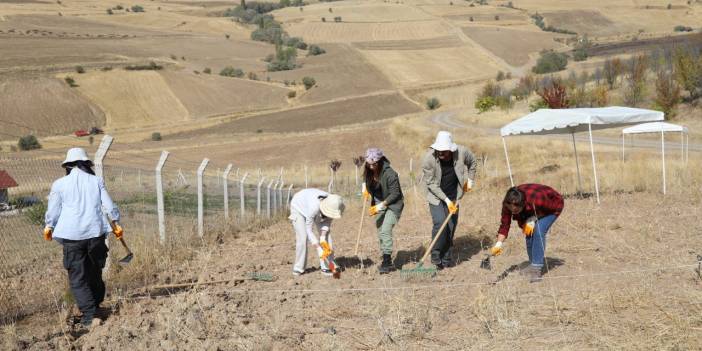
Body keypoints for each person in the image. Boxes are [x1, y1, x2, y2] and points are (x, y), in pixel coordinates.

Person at [43, 147, 122, 327]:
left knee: (78, 278)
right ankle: (95, 306)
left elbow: (53, 211)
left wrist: (49, 226)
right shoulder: (96, 181)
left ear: (68, 166)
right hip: (96, 235)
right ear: (86, 164)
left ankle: (89, 316)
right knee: (94, 272)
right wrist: (116, 222)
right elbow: (109, 205)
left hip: (72, 237)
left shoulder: (59, 184)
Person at [422, 131, 477, 269]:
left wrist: (470, 180)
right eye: (438, 151)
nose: (441, 154)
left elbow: (473, 162)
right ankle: (435, 253)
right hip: (436, 196)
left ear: (451, 149)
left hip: (455, 195)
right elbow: (431, 184)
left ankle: (446, 258)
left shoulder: (462, 152)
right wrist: (446, 200)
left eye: (444, 151)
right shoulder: (429, 159)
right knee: (440, 223)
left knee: (451, 227)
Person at [489, 184, 564, 282]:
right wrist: (498, 244)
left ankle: (536, 270)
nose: (513, 211)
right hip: (534, 210)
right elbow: (505, 225)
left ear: (523, 204)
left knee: (538, 230)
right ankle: (533, 263)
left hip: (553, 205)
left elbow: (553, 207)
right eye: (511, 209)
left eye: (516, 210)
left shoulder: (536, 200)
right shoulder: (508, 204)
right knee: (529, 232)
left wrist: (535, 218)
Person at [361, 148, 403, 274]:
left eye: (374, 164)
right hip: (378, 203)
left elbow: (395, 193)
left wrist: (382, 205)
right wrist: (365, 187)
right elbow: (365, 179)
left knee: (385, 230)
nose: (371, 166)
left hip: (393, 204)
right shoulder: (368, 170)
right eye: (369, 164)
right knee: (380, 232)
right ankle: (385, 254)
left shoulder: (390, 173)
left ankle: (387, 261)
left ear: (380, 161)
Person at [288, 189, 345, 277]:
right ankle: (298, 268)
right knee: (302, 238)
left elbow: (327, 223)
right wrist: (318, 248)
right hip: (299, 207)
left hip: (318, 210)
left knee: (327, 237)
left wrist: (322, 237)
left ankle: (327, 267)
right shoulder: (314, 207)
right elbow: (309, 229)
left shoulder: (334, 205)